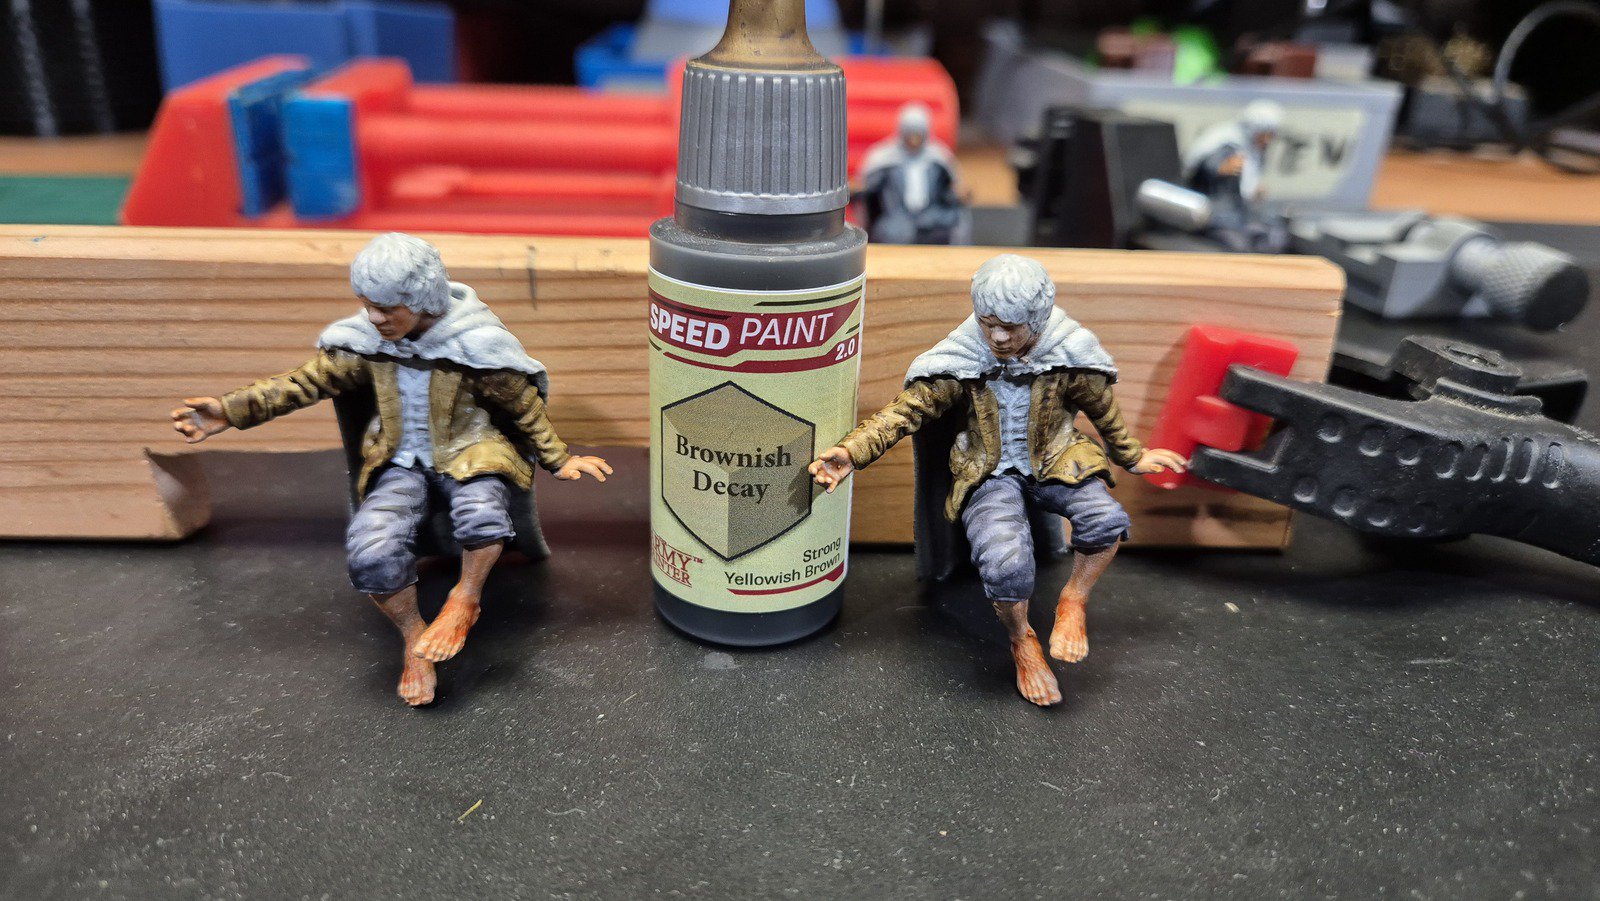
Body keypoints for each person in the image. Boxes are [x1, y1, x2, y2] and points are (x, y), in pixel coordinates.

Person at [172, 233, 611, 707]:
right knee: (371, 550)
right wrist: (229, 411)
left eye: (385, 308)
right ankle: (414, 638)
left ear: (420, 300)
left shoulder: (477, 345)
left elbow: (524, 407)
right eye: (367, 306)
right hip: (399, 460)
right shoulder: (365, 345)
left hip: (472, 452)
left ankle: (465, 599)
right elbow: (301, 383)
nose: (374, 318)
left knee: (482, 512)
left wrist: (560, 459)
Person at [808, 254, 1186, 706]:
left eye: (1011, 327)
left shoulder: (1071, 355)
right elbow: (905, 412)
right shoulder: (961, 357)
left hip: (1058, 460)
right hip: (987, 472)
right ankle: (1022, 640)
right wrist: (852, 452)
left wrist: (1133, 456)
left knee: (1105, 520)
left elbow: (1103, 410)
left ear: (1037, 319)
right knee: (1005, 565)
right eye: (988, 325)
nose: (999, 337)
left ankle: (1073, 599)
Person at [856, 102, 969, 244]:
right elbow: (868, 189)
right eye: (910, 134)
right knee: (893, 233)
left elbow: (950, 188)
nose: (914, 140)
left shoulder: (938, 158)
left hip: (930, 214)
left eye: (918, 134)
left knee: (954, 223)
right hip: (897, 217)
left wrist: (957, 193)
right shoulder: (884, 158)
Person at [1183, 99, 1288, 252]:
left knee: (1274, 235)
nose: (1268, 140)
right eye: (1266, 134)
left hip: (1241, 213)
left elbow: (1247, 182)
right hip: (1216, 214)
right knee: (1239, 244)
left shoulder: (1253, 149)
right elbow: (1209, 165)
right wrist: (1221, 168)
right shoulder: (1229, 143)